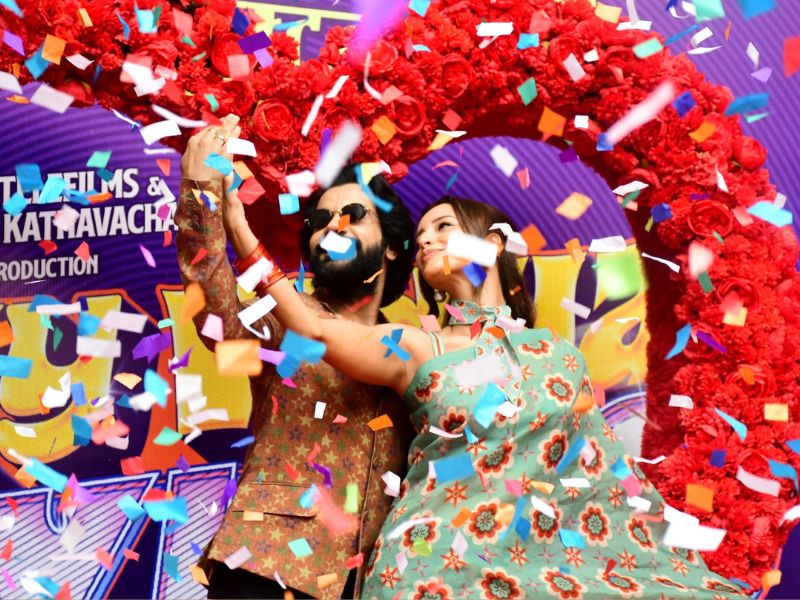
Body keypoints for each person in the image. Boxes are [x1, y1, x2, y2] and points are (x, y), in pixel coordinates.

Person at [221, 171, 748, 598]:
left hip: (533, 568)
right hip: (429, 565)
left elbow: (602, 480)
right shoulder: (417, 347)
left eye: (443, 227)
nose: (426, 240)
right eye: (420, 237)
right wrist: (241, 233)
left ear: (493, 244)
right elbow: (314, 329)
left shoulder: (560, 357)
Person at [176, 114, 415, 599]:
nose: (332, 228)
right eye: (319, 222)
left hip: (375, 582)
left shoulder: (416, 347)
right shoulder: (281, 317)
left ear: (391, 247)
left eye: (353, 214)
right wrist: (201, 194)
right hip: (265, 566)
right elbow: (218, 322)